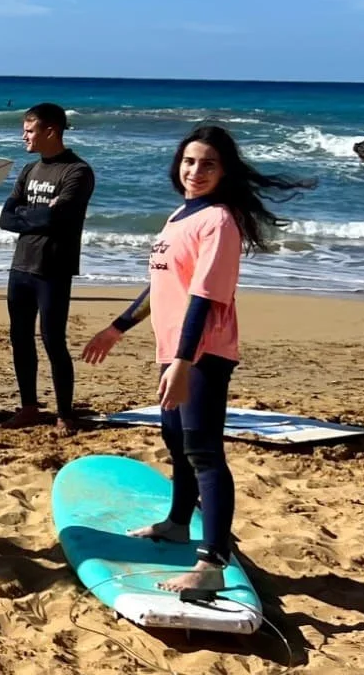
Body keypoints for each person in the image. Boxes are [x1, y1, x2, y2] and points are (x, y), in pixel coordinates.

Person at [84, 125, 310, 596]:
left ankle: (212, 562)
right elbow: (162, 285)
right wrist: (117, 327)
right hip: (174, 350)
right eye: (189, 161)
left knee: (204, 451)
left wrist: (185, 361)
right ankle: (176, 523)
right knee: (175, 440)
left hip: (202, 353)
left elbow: (204, 297)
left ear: (224, 170)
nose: (195, 171)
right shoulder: (180, 216)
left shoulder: (219, 221)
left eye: (208, 163)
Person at [0, 103, 95, 431]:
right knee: (20, 338)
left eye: (29, 130)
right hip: (21, 266)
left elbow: (58, 217)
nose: (23, 136)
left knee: (53, 339)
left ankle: (65, 413)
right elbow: (5, 217)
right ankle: (28, 407)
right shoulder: (29, 171)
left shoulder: (77, 172)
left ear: (50, 131)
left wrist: (32, 215)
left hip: (53, 269)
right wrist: (38, 216)